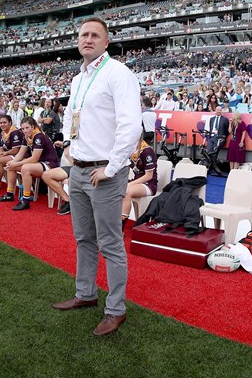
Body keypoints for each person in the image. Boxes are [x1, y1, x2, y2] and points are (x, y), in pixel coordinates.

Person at [53, 17, 141, 337]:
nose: (88, 39)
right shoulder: (79, 79)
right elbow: (71, 116)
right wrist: (67, 145)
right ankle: (86, 294)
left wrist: (112, 167)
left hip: (104, 172)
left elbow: (131, 126)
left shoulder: (118, 73)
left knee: (110, 244)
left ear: (106, 42)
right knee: (83, 238)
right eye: (83, 35)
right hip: (78, 169)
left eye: (95, 35)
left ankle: (116, 309)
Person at [4, 117, 60, 211]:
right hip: (39, 163)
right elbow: (20, 154)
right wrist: (13, 162)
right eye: (23, 129)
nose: (25, 131)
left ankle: (25, 200)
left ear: (33, 127)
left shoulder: (38, 136)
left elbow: (34, 158)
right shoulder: (27, 137)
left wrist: (17, 163)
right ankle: (10, 194)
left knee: (25, 168)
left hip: (50, 164)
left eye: (27, 128)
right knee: (11, 166)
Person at [121, 133, 158, 230]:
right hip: (136, 181)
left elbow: (149, 176)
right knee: (116, 188)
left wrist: (130, 184)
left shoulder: (147, 151)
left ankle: (120, 228)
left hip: (149, 184)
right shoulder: (129, 149)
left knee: (126, 191)